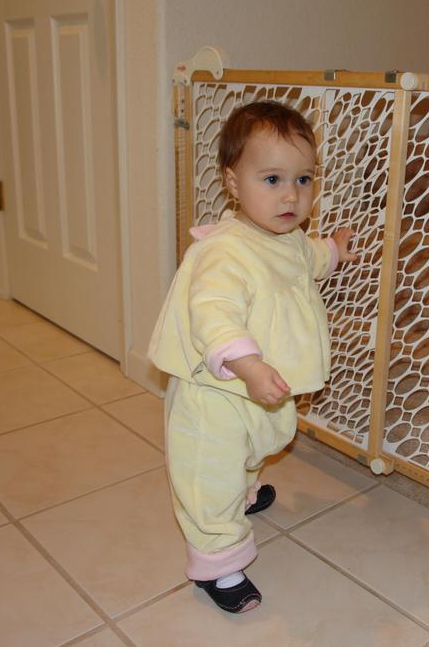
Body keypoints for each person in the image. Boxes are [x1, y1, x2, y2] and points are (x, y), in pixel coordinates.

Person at [148, 101, 357, 613]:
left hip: (256, 388)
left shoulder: (289, 238)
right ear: (233, 183)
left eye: (303, 179)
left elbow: (309, 261)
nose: (291, 195)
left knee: (255, 445)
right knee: (209, 474)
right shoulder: (225, 251)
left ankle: (241, 491)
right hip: (214, 393)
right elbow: (214, 314)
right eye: (272, 179)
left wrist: (333, 249)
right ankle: (218, 564)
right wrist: (248, 365)